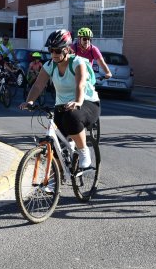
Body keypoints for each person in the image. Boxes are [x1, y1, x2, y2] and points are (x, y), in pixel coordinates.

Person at [19, 29, 100, 168]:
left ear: (67, 49)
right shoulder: (50, 65)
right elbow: (38, 85)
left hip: (87, 102)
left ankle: (83, 151)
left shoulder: (77, 62)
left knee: (72, 117)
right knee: (54, 144)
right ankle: (52, 181)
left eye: (57, 50)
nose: (53, 54)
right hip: (62, 105)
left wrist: (77, 102)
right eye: (51, 50)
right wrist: (30, 101)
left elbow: (79, 85)